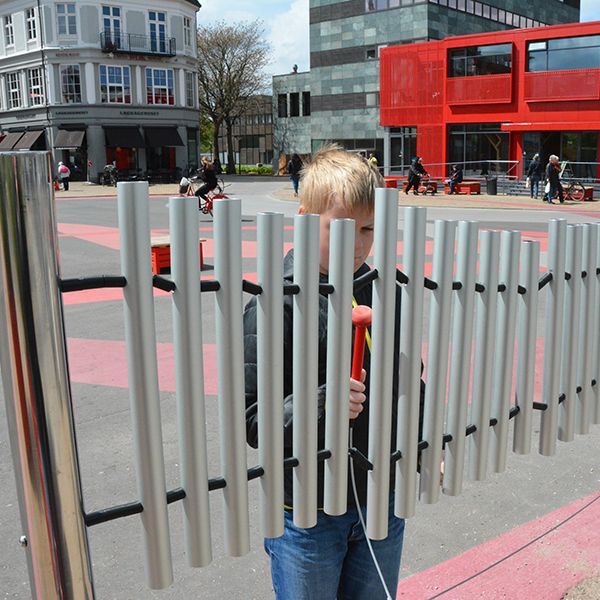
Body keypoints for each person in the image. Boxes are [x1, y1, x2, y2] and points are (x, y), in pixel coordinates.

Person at [244, 144, 424, 600]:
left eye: (367, 230)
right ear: (305, 219)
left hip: (378, 499)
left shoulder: (388, 293)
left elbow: (407, 383)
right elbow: (254, 422)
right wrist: (319, 400)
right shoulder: (274, 306)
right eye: (342, 229)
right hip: (306, 512)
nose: (359, 244)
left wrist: (417, 441)